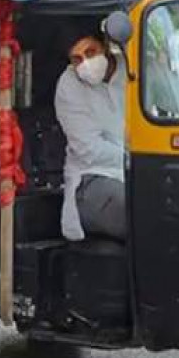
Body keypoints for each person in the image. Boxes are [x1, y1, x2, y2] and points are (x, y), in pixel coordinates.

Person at [54, 24, 127, 241]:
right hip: (93, 179)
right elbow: (89, 150)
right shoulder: (69, 86)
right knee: (141, 210)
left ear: (105, 45)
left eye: (90, 52)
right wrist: (136, 160)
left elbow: (177, 96)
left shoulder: (134, 69)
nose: (85, 64)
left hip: (147, 172)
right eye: (77, 60)